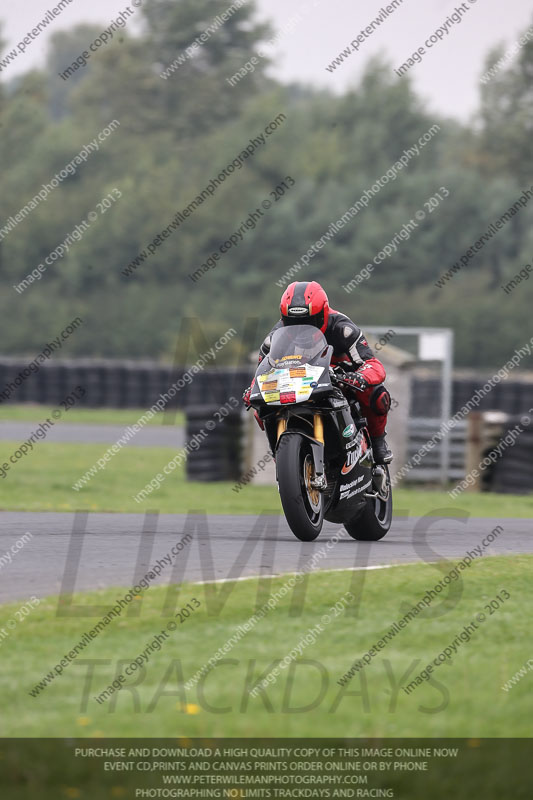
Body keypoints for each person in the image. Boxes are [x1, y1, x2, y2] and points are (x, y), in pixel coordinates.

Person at [243, 280, 393, 464]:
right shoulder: (274, 338)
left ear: (323, 314)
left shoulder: (343, 329)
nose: (301, 327)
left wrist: (359, 376)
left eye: (309, 321)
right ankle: (280, 454)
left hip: (340, 379)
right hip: (298, 382)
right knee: (260, 406)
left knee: (377, 394)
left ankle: (378, 443)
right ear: (284, 318)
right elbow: (263, 371)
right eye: (293, 321)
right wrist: (252, 389)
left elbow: (373, 364)